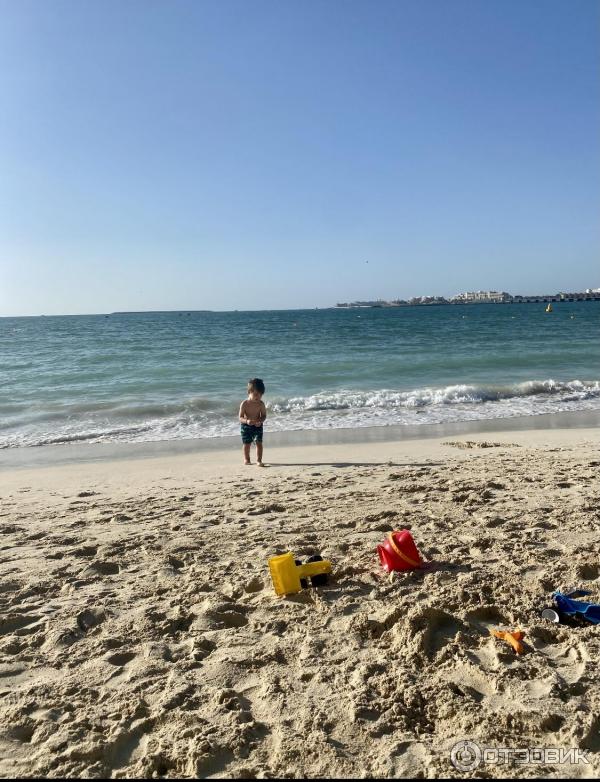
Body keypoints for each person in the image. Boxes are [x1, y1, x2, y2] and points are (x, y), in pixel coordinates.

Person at [239, 378, 267, 466]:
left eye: (260, 395)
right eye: (255, 394)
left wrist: (260, 421)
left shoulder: (261, 404)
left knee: (259, 443)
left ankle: (259, 460)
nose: (258, 397)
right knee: (247, 444)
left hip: (258, 425)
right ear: (249, 392)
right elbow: (240, 417)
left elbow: (264, 415)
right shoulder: (244, 404)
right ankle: (247, 459)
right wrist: (246, 421)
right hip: (246, 426)